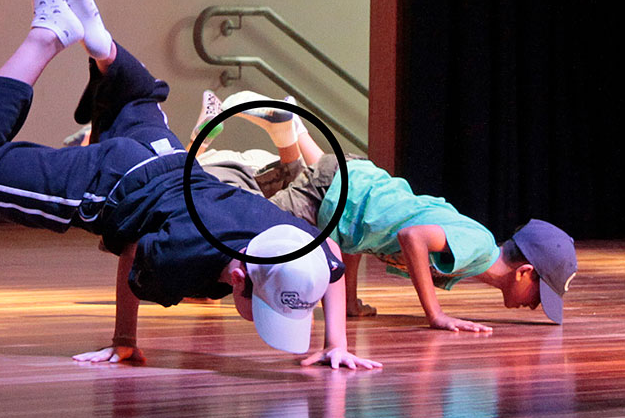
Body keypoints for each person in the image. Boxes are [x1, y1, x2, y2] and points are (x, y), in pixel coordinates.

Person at [0, 0, 381, 370]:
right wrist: (124, 339)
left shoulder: (289, 239)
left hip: (167, 152)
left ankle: (103, 46)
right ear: (239, 277)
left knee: (137, 99)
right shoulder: (187, 258)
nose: (270, 316)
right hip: (115, 180)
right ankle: (47, 36)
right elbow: (133, 252)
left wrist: (336, 343)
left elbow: (331, 257)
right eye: (264, 306)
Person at [183, 90, 578, 331]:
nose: (535, 305)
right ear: (524, 271)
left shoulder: (471, 255)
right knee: (240, 226)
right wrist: (435, 314)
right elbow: (412, 237)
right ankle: (192, 155)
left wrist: (349, 300)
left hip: (348, 188)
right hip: (335, 193)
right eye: (539, 293)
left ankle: (289, 132)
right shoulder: (477, 247)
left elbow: (359, 235)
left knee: (268, 207)